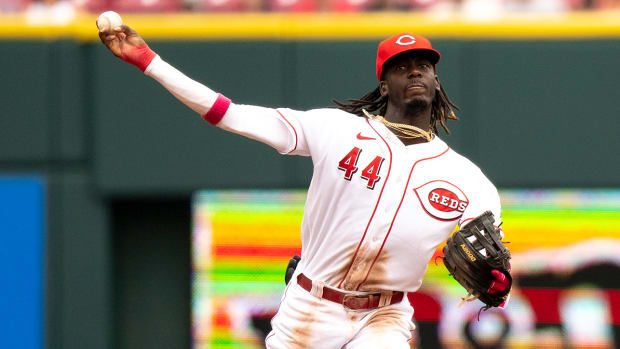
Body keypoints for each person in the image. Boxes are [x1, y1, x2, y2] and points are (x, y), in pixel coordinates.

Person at [98, 26, 510, 349]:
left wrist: (498, 283)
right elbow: (229, 114)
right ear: (385, 86)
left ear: (437, 81)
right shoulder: (335, 129)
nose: (415, 71)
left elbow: (495, 264)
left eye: (424, 64)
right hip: (312, 306)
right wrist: (148, 60)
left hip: (385, 316)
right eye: (402, 66)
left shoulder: (468, 180)